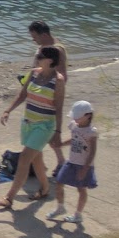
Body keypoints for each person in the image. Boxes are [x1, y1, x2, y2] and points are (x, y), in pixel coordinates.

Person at [0, 46, 65, 209]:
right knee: (37, 159)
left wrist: (57, 132)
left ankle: (9, 197)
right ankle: (45, 187)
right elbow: (22, 95)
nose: (37, 58)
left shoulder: (58, 80)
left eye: (41, 56)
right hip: (28, 123)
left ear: (50, 60)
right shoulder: (34, 73)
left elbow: (59, 107)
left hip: (44, 126)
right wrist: (8, 110)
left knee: (25, 159)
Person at [27, 22, 69, 169]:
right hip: (37, 92)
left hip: (48, 97)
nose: (33, 40)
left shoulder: (57, 50)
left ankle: (58, 162)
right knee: (40, 131)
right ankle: (42, 162)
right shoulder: (43, 47)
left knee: (45, 131)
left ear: (44, 35)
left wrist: (46, 89)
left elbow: (62, 75)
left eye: (34, 37)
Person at [50, 101, 98, 225]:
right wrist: (61, 144)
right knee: (59, 182)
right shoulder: (74, 126)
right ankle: (60, 207)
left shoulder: (91, 132)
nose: (75, 119)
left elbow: (92, 152)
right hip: (71, 162)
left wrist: (85, 169)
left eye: (78, 117)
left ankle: (78, 215)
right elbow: (74, 139)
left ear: (88, 115)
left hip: (83, 165)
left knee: (81, 189)